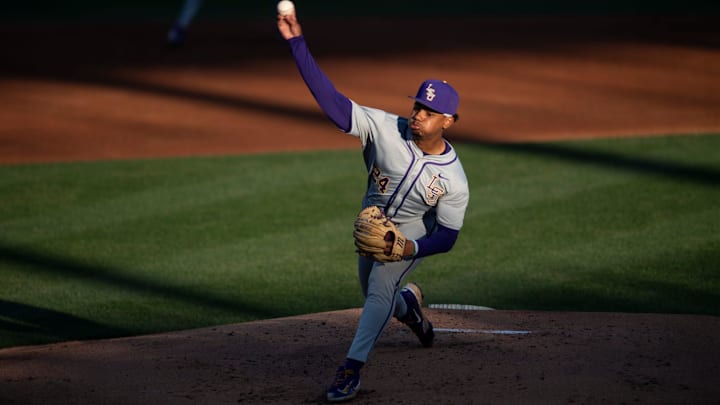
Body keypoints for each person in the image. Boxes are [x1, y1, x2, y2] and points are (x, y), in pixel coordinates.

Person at [277, 7, 470, 403]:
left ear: (448, 121)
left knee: (380, 288)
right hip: (373, 222)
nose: (418, 115)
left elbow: (448, 235)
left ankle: (351, 370)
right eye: (417, 106)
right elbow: (332, 103)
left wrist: (411, 247)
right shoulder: (383, 128)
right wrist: (298, 44)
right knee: (374, 292)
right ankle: (411, 310)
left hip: (413, 231)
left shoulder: (454, 180)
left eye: (429, 112)